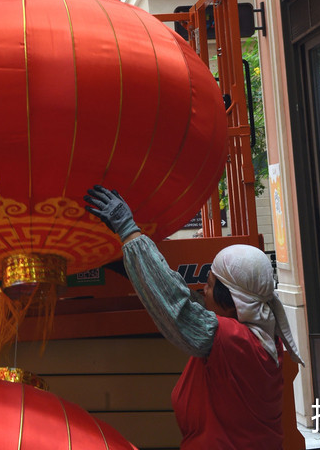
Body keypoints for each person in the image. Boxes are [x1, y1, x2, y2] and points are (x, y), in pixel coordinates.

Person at [84, 185, 304, 450]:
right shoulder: (260, 338)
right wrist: (131, 264)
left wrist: (128, 230)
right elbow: (192, 303)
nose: (202, 290)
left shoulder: (236, 343)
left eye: (209, 284)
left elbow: (181, 310)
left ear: (232, 301)